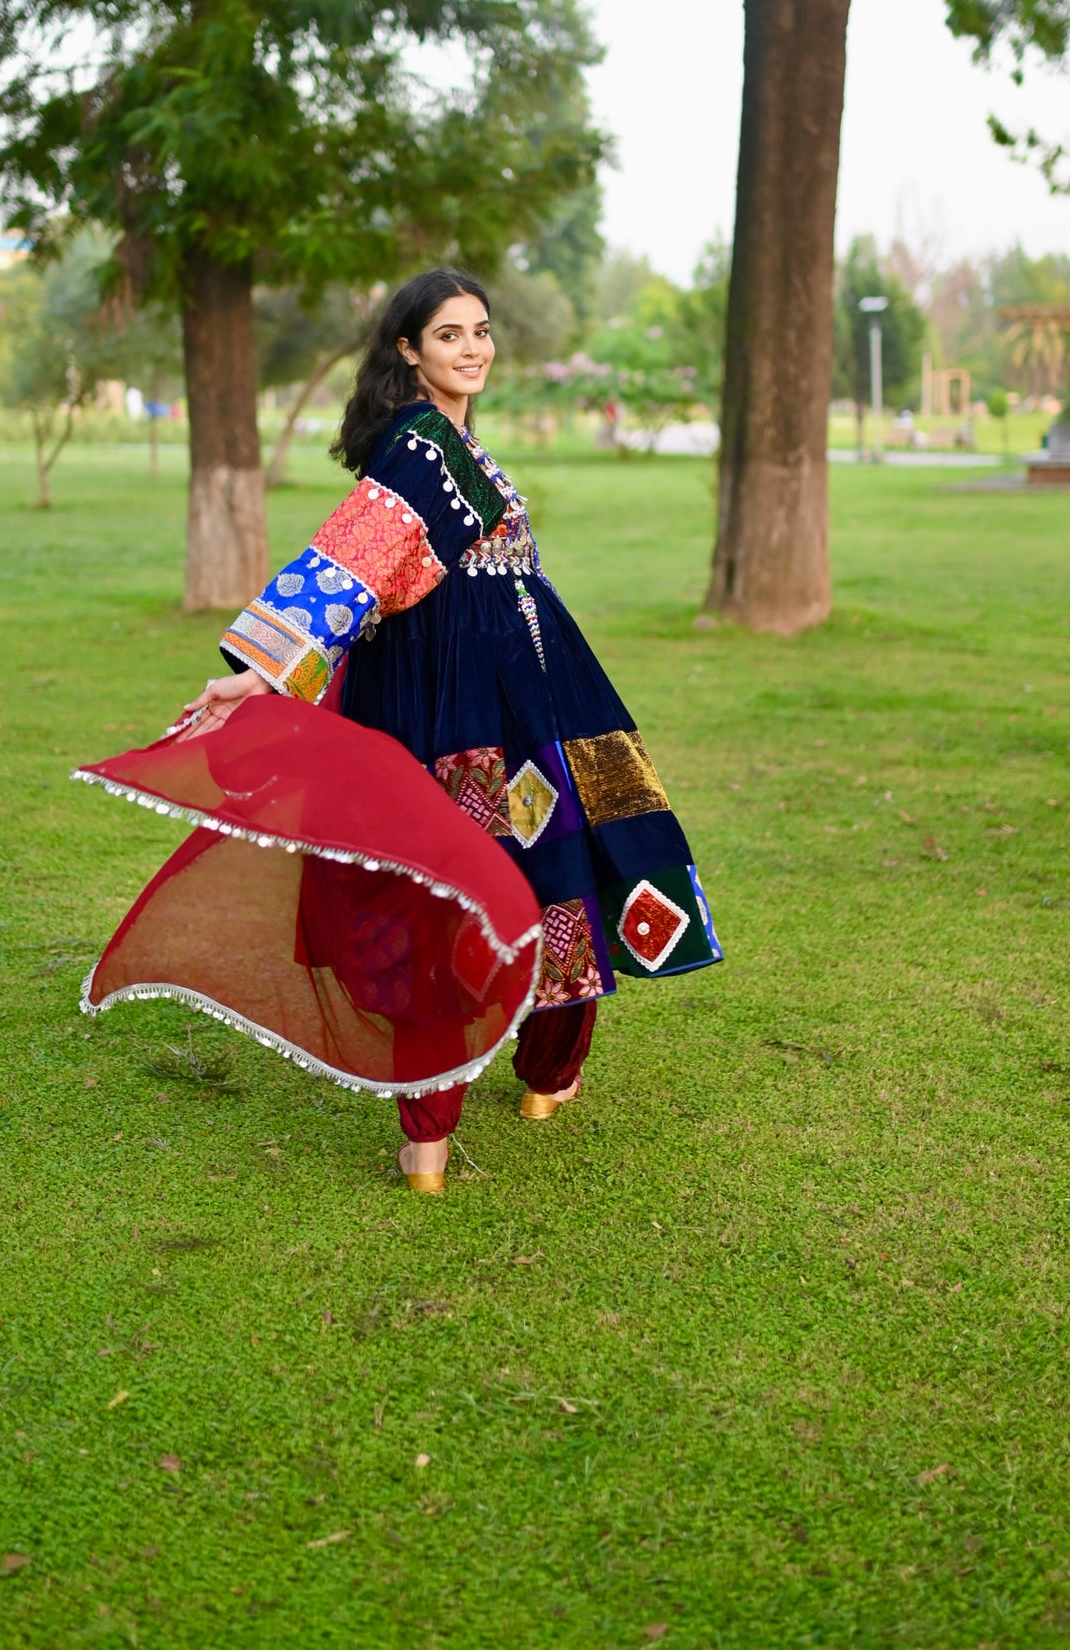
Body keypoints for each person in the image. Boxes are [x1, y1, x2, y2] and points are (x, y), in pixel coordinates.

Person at [81, 270, 720, 1195]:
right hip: (461, 696)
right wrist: (252, 676)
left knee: (501, 871)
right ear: (407, 351)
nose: (472, 349)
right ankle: (514, 1092)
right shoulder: (420, 446)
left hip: (526, 683)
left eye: (482, 331)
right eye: (449, 335)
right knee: (493, 876)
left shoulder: (452, 442)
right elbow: (347, 562)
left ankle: (492, 1106)